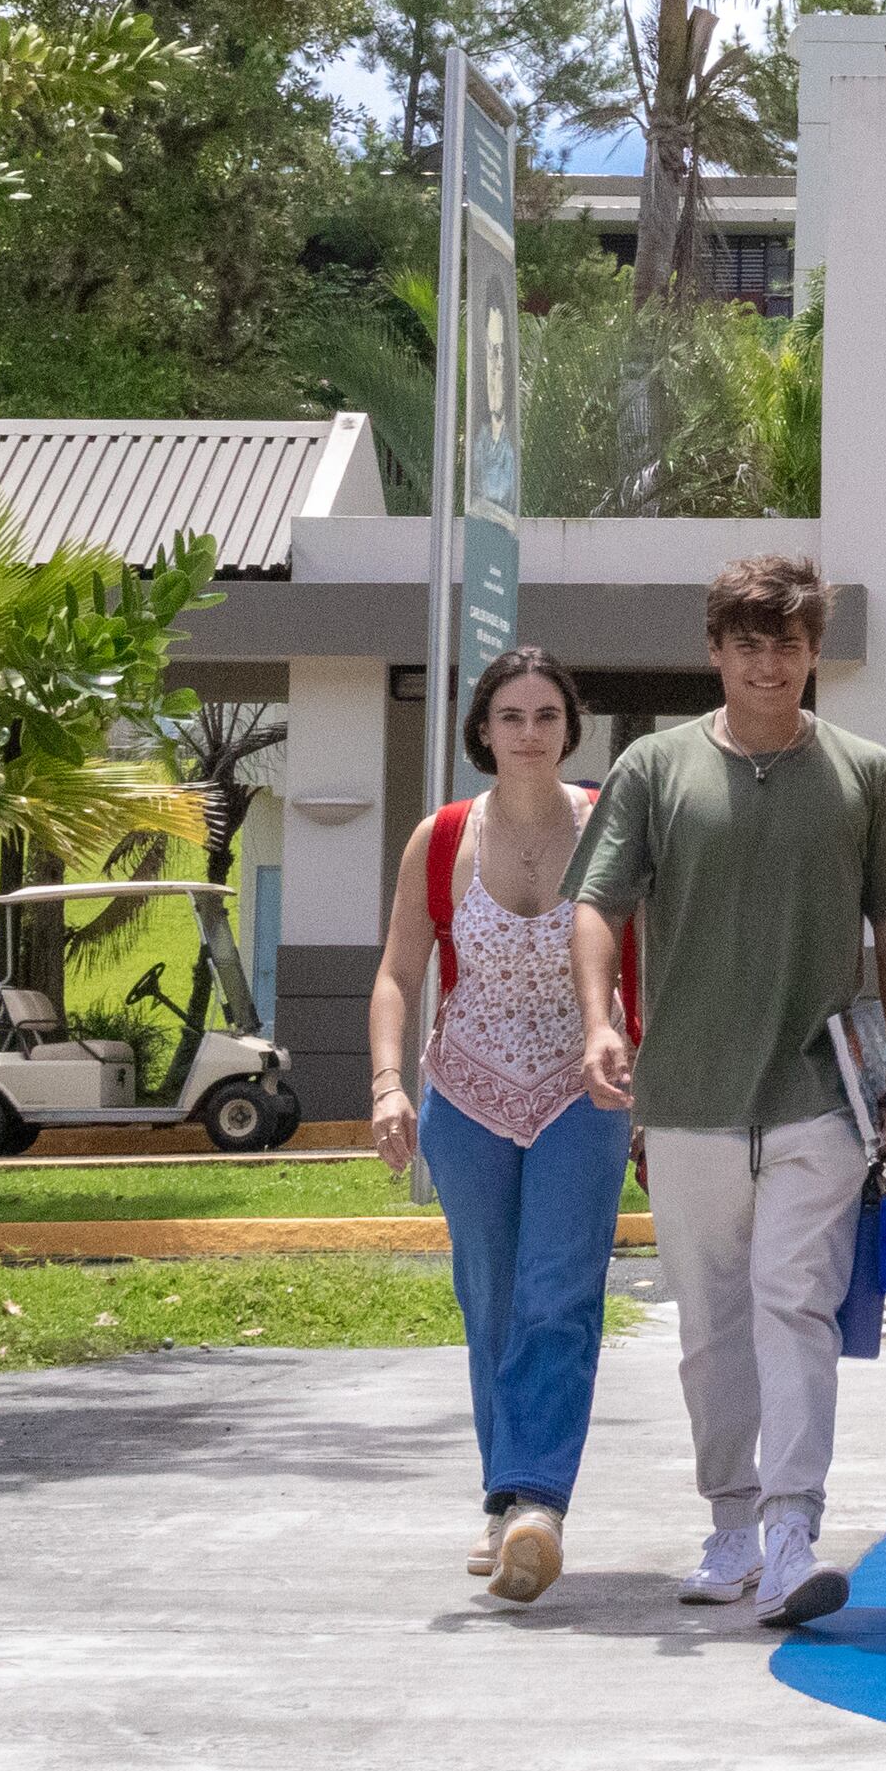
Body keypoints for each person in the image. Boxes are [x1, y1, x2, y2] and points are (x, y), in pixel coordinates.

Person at [569, 555, 886, 1632]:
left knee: (793, 1303)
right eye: (747, 642)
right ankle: (729, 1520)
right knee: (708, 1325)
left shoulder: (864, 773)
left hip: (817, 1094)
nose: (767, 661)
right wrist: (601, 1020)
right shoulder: (652, 767)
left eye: (786, 641)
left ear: (813, 651)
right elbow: (596, 902)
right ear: (715, 652)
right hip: (683, 1093)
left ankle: (790, 1531)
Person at [368, 647, 630, 1608]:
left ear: (571, 728)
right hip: (466, 1097)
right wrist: (390, 1085)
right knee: (491, 1300)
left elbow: (657, 945)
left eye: (547, 716)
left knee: (560, 1293)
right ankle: (502, 1497)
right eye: (511, 716)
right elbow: (400, 973)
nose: (530, 733)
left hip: (584, 1093)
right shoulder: (440, 838)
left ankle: (539, 1506)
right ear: (483, 729)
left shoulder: (610, 823)